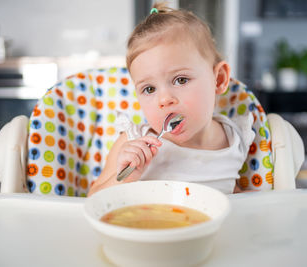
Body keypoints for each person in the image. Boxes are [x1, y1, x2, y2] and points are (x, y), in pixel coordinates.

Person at [88, 2, 255, 196]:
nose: (164, 99)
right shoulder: (133, 142)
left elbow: (229, 189)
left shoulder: (234, 138)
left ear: (218, 79)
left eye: (180, 80)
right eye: (149, 89)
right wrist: (126, 177)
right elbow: (93, 198)